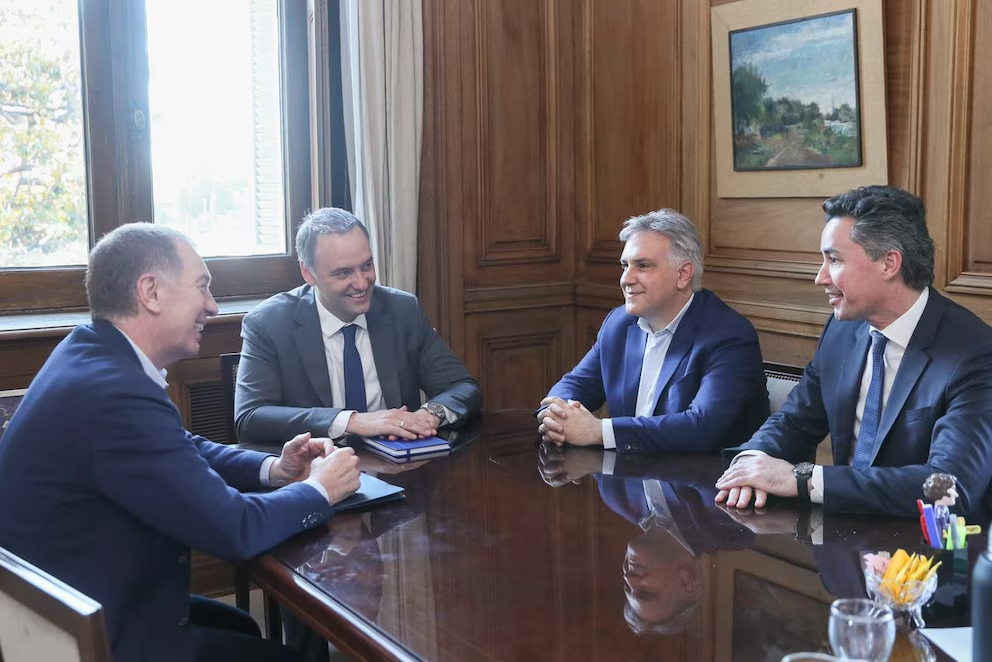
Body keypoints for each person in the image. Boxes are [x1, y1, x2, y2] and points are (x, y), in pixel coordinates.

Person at [0, 223, 362, 662]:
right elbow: (236, 528)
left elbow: (178, 445)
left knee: (241, 627)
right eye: (202, 286)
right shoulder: (115, 394)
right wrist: (320, 489)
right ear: (151, 293)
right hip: (95, 637)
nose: (212, 305)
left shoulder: (89, 350)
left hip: (74, 606)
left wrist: (273, 469)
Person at [715, 185, 992, 520]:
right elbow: (795, 421)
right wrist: (750, 462)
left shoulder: (975, 354)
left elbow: (949, 488)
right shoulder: (841, 331)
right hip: (841, 537)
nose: (820, 277)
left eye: (834, 260)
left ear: (889, 263)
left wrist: (804, 480)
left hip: (927, 545)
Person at [235, 207, 481, 444]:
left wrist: (429, 415)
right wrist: (351, 422)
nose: (362, 283)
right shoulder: (269, 324)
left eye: (367, 266)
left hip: (399, 463)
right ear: (308, 273)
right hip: (316, 466)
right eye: (343, 273)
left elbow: (462, 387)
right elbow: (249, 418)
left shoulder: (402, 311)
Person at [537, 209, 769, 453]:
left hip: (705, 474)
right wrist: (556, 415)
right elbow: (575, 384)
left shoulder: (729, 335)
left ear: (683, 274)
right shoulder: (620, 323)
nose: (626, 279)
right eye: (625, 265)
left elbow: (702, 427)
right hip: (630, 471)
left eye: (643, 266)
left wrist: (598, 431)